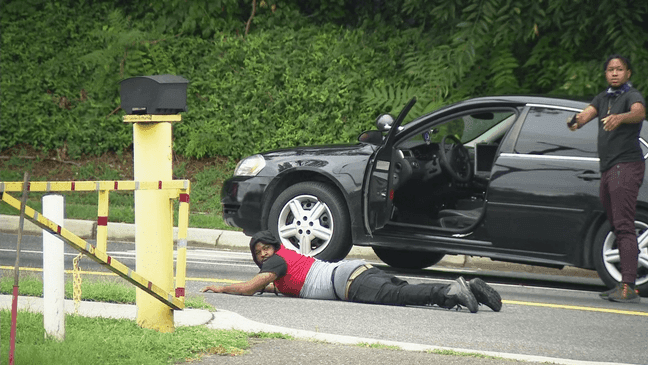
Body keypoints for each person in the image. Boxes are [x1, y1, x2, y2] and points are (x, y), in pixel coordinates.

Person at [201, 230, 502, 313]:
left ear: (274, 248)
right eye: (257, 252)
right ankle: (470, 290)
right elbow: (268, 286)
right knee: (403, 288)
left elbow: (252, 287)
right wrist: (262, 285)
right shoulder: (282, 263)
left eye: (265, 248)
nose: (262, 254)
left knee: (399, 296)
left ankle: (451, 292)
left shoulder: (276, 262)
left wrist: (221, 288)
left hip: (347, 283)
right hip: (355, 271)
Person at [568, 54, 646, 303]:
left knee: (623, 225)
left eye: (619, 69)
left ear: (628, 73)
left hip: (627, 165)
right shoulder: (603, 98)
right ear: (605, 74)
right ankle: (623, 284)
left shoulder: (631, 96)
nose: (614, 73)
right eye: (610, 69)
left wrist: (619, 117)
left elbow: (639, 113)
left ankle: (628, 287)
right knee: (615, 224)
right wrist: (575, 122)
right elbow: (585, 115)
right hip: (609, 168)